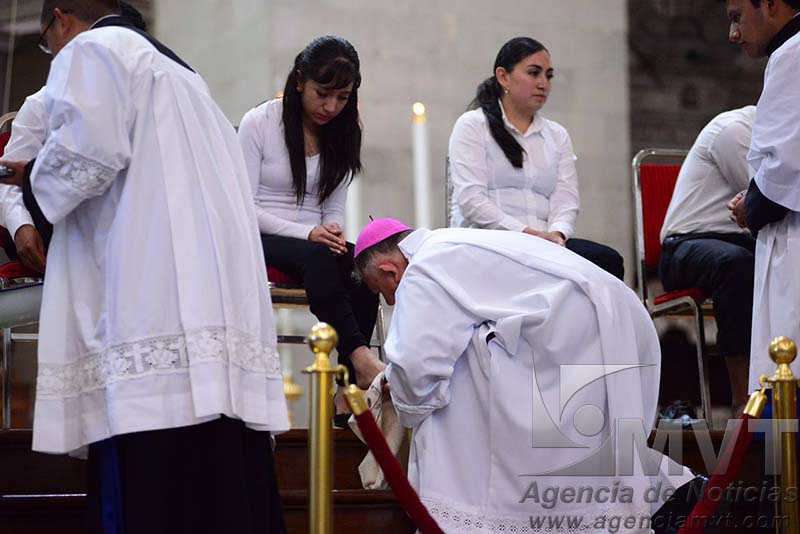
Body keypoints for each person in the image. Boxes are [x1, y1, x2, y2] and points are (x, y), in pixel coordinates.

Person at [0, 1, 288, 532]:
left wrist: (30, 178)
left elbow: (87, 159)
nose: (52, 55)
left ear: (60, 19)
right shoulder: (185, 74)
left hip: (145, 316)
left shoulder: (91, 50)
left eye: (47, 44)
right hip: (209, 318)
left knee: (150, 491)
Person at [353, 219, 693, 531]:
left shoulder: (422, 270)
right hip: (607, 316)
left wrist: (394, 388)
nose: (391, 302)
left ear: (390, 271)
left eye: (382, 291)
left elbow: (417, 373)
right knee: (589, 449)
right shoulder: (450, 245)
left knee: (467, 372)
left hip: (573, 329)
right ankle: (678, 491)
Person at [238, 36, 384, 394]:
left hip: (311, 242)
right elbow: (242, 206)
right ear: (300, 80)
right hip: (257, 234)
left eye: (342, 97)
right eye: (323, 93)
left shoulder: (344, 133)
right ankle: (361, 361)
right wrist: (309, 235)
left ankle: (345, 393)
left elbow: (332, 205)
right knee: (319, 254)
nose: (331, 106)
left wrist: (331, 230)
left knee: (362, 265)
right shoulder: (259, 123)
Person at [448, 37, 624, 280]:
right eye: (534, 73)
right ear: (503, 77)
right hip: (491, 240)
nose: (544, 83)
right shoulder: (473, 126)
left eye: (548, 76)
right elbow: (471, 201)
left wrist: (557, 235)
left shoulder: (557, 135)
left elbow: (566, 200)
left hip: (546, 243)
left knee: (607, 261)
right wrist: (527, 233)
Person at [0, 1, 147, 274]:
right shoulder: (40, 104)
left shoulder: (142, 99)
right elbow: (7, 178)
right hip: (59, 235)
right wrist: (22, 226)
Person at [723, 0, 800, 391]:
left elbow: (787, 162)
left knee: (787, 364)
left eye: (737, 17)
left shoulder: (792, 53)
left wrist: (750, 207)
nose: (733, 34)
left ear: (769, 5)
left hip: (794, 235)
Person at [659, 106, 756, 413]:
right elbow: (772, 201)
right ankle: (743, 400)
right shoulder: (734, 130)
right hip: (686, 245)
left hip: (742, 242)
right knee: (738, 265)